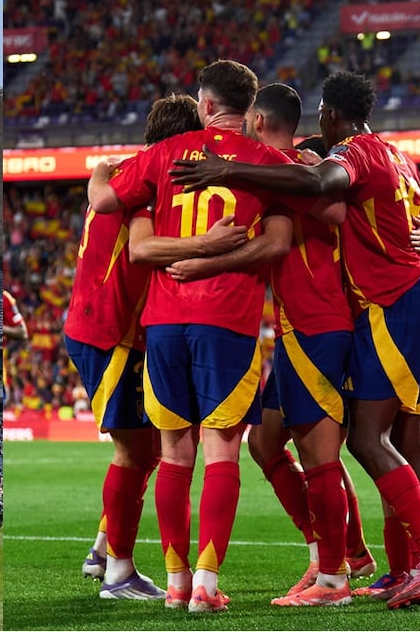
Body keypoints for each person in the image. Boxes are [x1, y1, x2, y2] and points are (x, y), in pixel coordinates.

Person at [170, 70, 420, 609]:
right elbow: (401, 215)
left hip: (338, 317)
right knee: (269, 440)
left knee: (352, 444)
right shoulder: (364, 156)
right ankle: (365, 559)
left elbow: (324, 199)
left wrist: (222, 190)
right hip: (359, 310)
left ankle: (356, 570)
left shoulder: (316, 167)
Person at [89, 59, 296, 613]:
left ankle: (175, 583)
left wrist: (104, 168)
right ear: (249, 111)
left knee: (173, 454)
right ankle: (205, 584)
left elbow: (106, 201)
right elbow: (280, 239)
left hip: (162, 322)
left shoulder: (162, 155)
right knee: (221, 450)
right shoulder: (268, 160)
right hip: (227, 320)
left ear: (204, 104)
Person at [73, 94, 246, 600]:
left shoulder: (126, 173)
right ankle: (117, 571)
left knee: (150, 450)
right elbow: (141, 249)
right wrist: (207, 247)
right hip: (112, 331)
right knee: (136, 451)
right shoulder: (151, 185)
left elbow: (101, 189)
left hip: (107, 325)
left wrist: (99, 169)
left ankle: (105, 548)